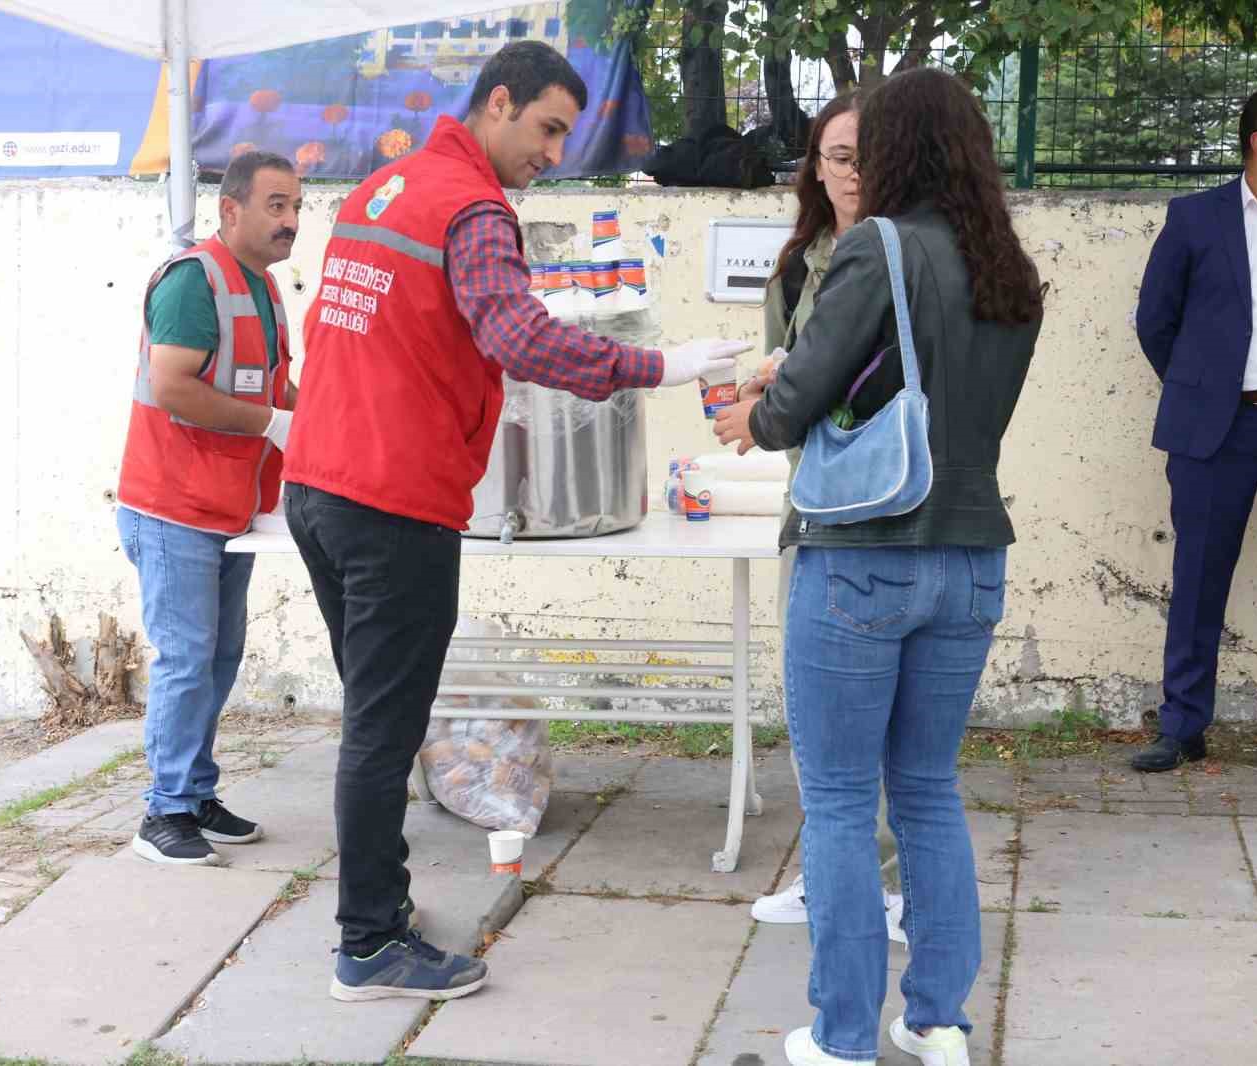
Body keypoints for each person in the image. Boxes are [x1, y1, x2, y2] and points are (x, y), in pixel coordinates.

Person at [283, 40, 748, 1003]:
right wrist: (662, 366)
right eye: (545, 129)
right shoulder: (474, 207)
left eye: (565, 137)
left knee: (375, 724)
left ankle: (382, 910)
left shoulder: (385, 188)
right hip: (391, 505)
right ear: (498, 102)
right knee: (382, 729)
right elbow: (517, 335)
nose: (553, 154)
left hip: (318, 489)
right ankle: (368, 945)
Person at [714, 68, 1044, 1066]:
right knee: (928, 790)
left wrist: (751, 414)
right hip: (973, 557)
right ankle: (937, 1022)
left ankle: (845, 1036)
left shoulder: (877, 250)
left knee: (844, 801)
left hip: (861, 559)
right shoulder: (1010, 272)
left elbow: (795, 398)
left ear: (899, 148)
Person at [745, 91, 905, 947]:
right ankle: (835, 877)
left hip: (894, 506)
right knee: (818, 710)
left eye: (865, 155)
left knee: (892, 722)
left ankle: (887, 883)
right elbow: (786, 387)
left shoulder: (912, 255)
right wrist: (761, 390)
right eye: (835, 156)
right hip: (817, 501)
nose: (850, 173)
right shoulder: (799, 265)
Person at [114, 151, 301, 866]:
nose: (290, 222)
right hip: (173, 507)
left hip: (228, 509)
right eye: (276, 206)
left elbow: (278, 389)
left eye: (296, 208)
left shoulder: (263, 287)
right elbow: (173, 388)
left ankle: (193, 793)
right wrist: (272, 425)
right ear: (231, 209)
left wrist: (314, 422)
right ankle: (161, 814)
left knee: (218, 656)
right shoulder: (196, 282)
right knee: (188, 659)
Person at [1131, 83, 1257, 773]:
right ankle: (1184, 725)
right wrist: (1203, 390)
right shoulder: (1195, 219)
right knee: (1197, 580)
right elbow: (1155, 322)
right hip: (1215, 430)